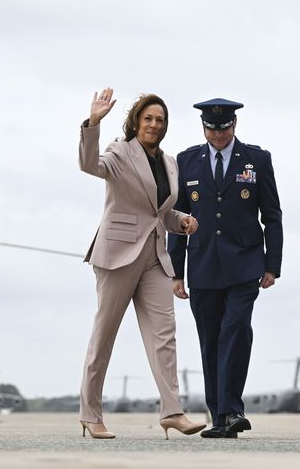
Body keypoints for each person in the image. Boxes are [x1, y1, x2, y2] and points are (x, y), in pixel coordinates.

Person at [78, 88, 206, 439]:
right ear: (136, 121)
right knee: (104, 338)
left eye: (160, 120)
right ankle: (90, 414)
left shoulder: (169, 163)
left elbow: (158, 212)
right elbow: (91, 165)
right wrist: (93, 123)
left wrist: (180, 221)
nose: (154, 124)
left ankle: (173, 411)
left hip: (154, 258)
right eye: (148, 118)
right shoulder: (120, 152)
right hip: (117, 256)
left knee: (165, 337)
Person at [168, 98, 283, 439]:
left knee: (235, 331)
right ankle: (221, 416)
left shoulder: (257, 159)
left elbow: (272, 216)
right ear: (204, 128)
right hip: (202, 265)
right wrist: (176, 271)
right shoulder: (187, 161)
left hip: (246, 263)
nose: (218, 135)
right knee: (210, 341)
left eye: (224, 128)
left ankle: (231, 409)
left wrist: (272, 265)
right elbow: (177, 219)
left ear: (234, 126)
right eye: (212, 129)